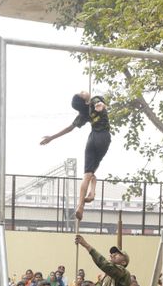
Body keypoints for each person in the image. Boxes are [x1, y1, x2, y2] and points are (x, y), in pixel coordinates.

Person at [40, 91, 111, 220]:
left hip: (92, 139)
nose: (83, 91)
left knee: (88, 174)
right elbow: (98, 103)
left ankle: (82, 203)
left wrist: (51, 138)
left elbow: (69, 128)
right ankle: (91, 193)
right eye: (82, 93)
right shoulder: (95, 99)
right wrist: (100, 106)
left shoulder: (83, 114)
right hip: (103, 137)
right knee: (92, 171)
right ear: (85, 100)